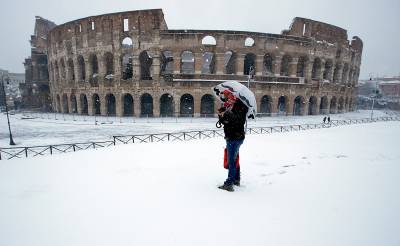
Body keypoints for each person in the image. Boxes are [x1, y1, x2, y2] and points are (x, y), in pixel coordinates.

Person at [217, 89, 248, 192]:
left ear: (232, 96)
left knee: (231, 161)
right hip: (230, 136)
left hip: (236, 137)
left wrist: (226, 114)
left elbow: (238, 122)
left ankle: (229, 183)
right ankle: (236, 179)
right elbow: (226, 122)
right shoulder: (229, 106)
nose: (226, 98)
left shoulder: (240, 107)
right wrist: (221, 115)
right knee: (234, 159)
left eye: (227, 96)